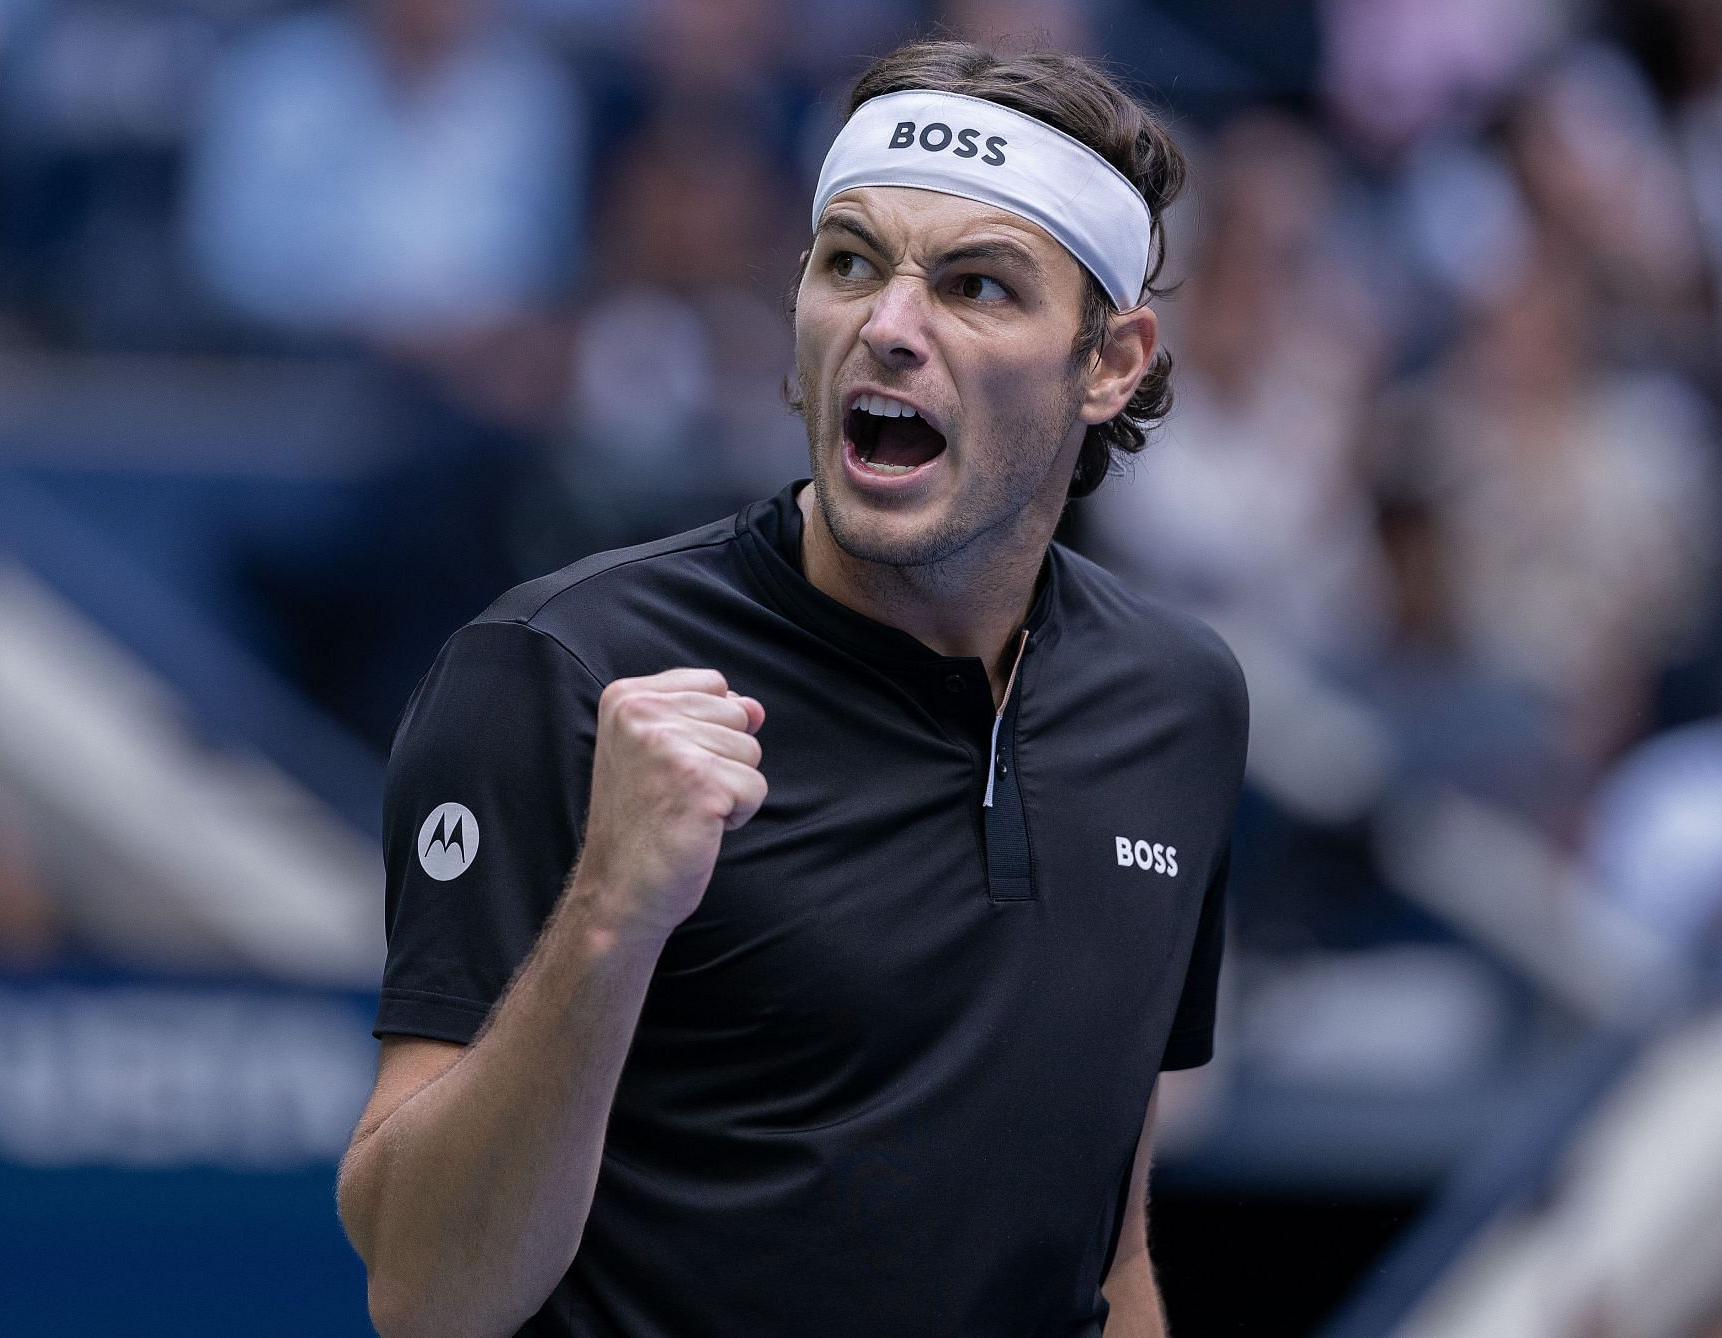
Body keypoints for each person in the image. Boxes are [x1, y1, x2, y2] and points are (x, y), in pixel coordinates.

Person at [336, 39, 1249, 1338]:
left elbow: (1109, 1250)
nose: (887, 325)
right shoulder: (562, 669)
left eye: (977, 285)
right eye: (849, 263)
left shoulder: (1181, 703)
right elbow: (426, 1292)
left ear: (1109, 362)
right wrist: (609, 914)